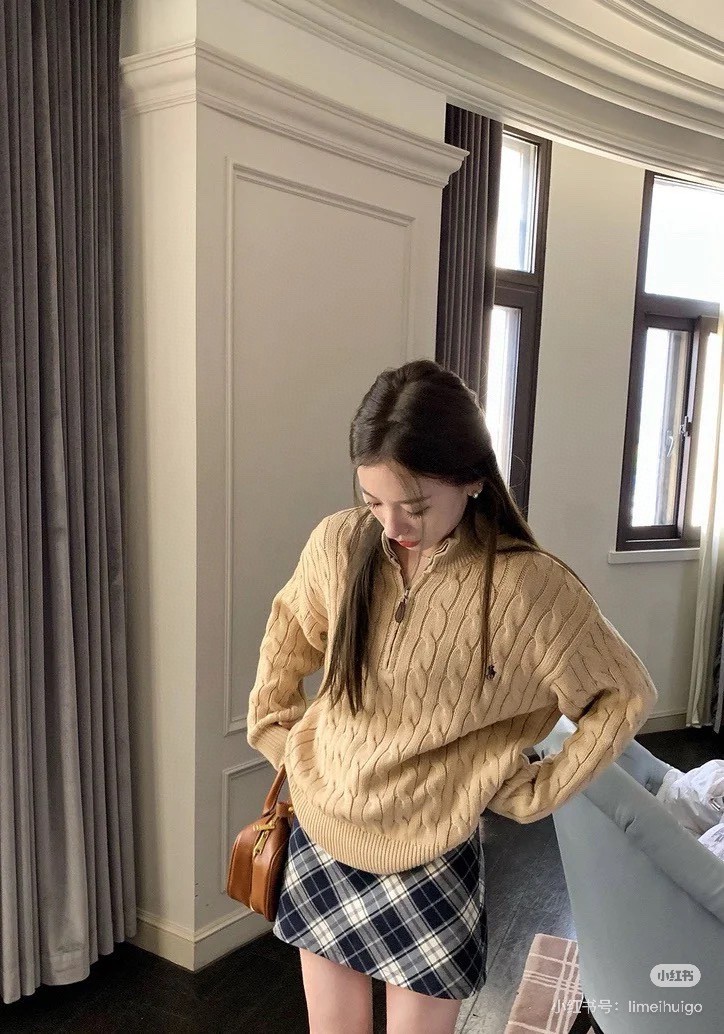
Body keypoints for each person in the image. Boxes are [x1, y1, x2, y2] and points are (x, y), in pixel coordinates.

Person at [246, 359, 658, 1034]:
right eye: (372, 501)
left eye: (413, 506)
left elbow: (623, 693)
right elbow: (288, 632)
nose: (391, 525)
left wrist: (540, 789)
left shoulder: (528, 586)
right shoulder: (339, 543)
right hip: (324, 833)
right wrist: (279, 735)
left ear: (472, 478)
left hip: (431, 851)